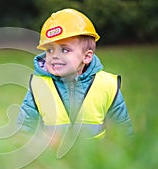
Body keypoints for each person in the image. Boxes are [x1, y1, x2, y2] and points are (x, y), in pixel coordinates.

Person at [17, 8, 132, 140]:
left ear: (87, 56)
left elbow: (123, 130)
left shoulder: (107, 85)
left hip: (96, 157)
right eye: (50, 50)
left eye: (65, 50)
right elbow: (24, 130)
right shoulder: (39, 86)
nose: (55, 56)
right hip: (54, 158)